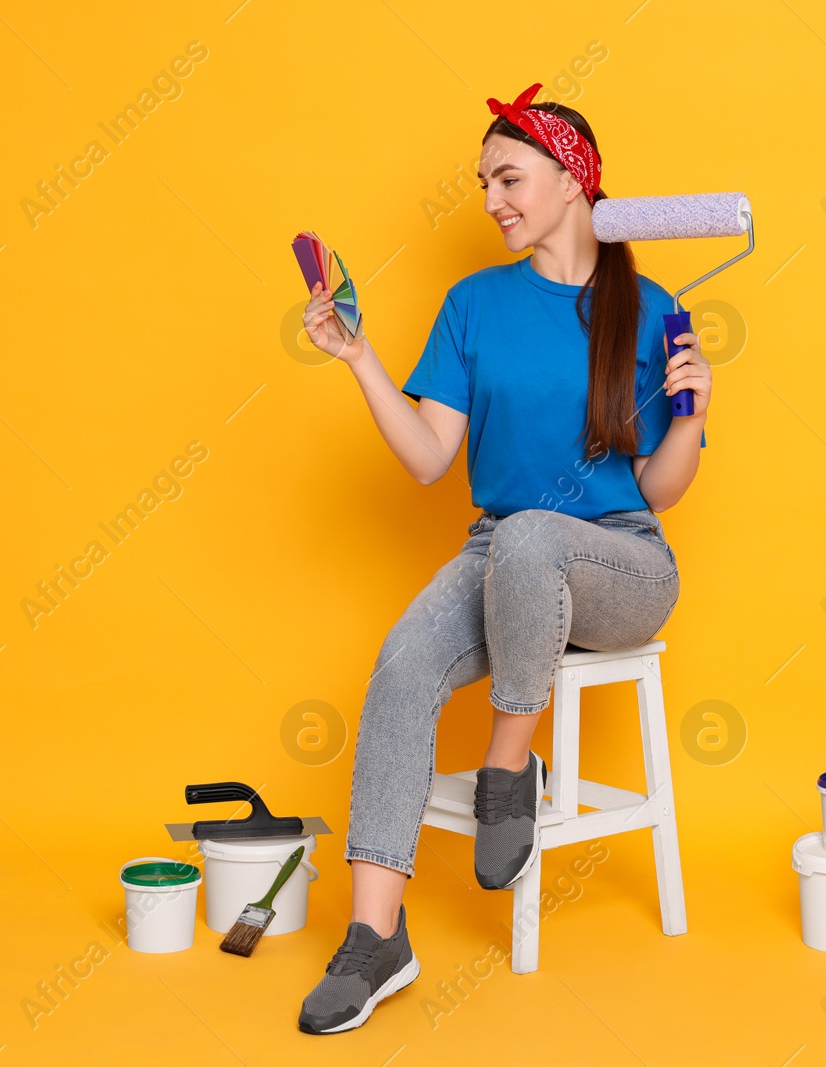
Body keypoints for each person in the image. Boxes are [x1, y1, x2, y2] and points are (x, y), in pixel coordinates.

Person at [294, 81, 710, 1035]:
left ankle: (506, 770)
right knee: (402, 665)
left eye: (509, 177)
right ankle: (375, 939)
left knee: (529, 534)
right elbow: (433, 458)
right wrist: (358, 357)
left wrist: (690, 407)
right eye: (484, 181)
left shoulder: (651, 309)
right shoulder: (473, 303)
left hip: (623, 565)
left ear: (572, 181)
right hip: (500, 552)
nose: (491, 199)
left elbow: (663, 488)